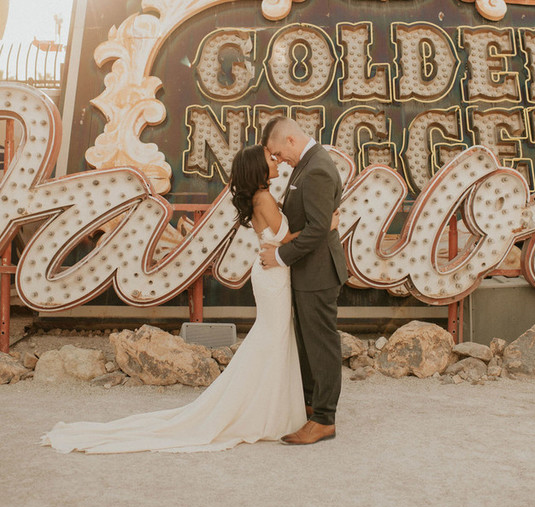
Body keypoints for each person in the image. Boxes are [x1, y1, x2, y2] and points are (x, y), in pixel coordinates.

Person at [41, 145, 309, 454]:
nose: (276, 161)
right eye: (270, 158)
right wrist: (325, 226)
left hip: (272, 272)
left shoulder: (262, 195)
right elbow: (285, 237)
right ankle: (266, 413)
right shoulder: (262, 196)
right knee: (272, 339)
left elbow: (276, 237)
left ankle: (267, 409)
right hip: (273, 276)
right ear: (257, 167)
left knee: (272, 339)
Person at [260, 116, 348, 446]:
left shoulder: (318, 169)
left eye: (278, 153)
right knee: (308, 343)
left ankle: (324, 419)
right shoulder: (306, 164)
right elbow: (310, 217)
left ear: (291, 142)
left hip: (319, 272)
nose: (278, 161)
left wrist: (280, 256)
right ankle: (311, 406)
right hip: (308, 271)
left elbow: (316, 230)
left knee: (321, 344)